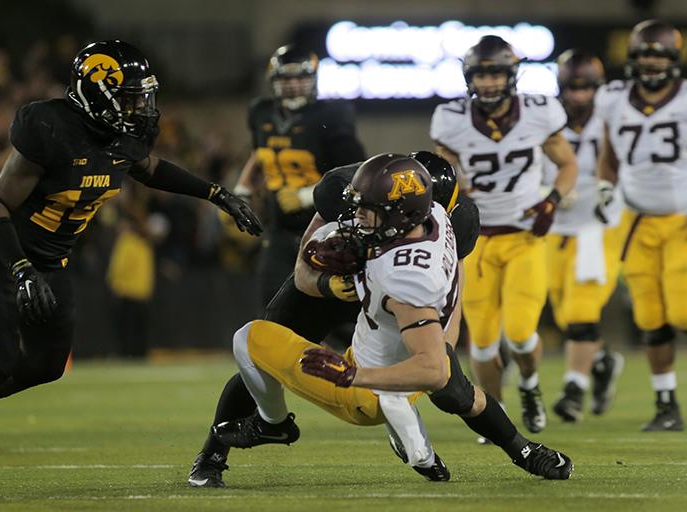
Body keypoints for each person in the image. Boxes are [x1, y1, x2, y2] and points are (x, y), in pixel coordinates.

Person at [191, 153, 574, 488]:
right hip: (347, 291)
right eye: (355, 206)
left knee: (254, 341)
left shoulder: (409, 270)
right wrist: (328, 283)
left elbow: (441, 326)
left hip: (389, 308)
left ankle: (277, 423)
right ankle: (519, 452)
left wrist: (436, 347)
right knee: (449, 388)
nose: (355, 215)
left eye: (365, 209)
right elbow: (304, 274)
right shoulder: (397, 205)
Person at [0, 40, 262, 405]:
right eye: (129, 98)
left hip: (51, 264)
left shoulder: (121, 138)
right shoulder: (50, 127)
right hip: (3, 258)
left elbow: (151, 170)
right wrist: (20, 268)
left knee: (47, 365)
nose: (139, 109)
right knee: (0, 362)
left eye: (141, 98)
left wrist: (216, 193)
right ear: (95, 94)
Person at [430, 35, 578, 435]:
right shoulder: (451, 118)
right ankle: (494, 416)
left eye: (496, 73)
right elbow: (446, 179)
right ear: (468, 78)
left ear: (511, 75)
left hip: (525, 236)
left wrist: (551, 201)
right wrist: (455, 195)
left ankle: (529, 384)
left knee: (519, 333)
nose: (489, 82)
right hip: (475, 242)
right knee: (481, 342)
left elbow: (567, 166)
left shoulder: (539, 112)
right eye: (481, 74)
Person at [594, 20, 687, 432]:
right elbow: (610, 150)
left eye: (660, 55)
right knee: (650, 318)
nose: (651, 62)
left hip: (683, 218)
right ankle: (666, 404)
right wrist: (604, 185)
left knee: (682, 309)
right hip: (637, 222)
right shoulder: (613, 100)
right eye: (645, 54)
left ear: (673, 60)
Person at [233, 44, 365, 309]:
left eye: (301, 78)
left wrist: (306, 196)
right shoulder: (261, 112)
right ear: (274, 81)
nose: (294, 85)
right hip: (279, 228)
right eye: (286, 79)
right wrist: (242, 191)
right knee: (271, 306)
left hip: (325, 227)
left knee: (332, 308)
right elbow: (261, 153)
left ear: (313, 79)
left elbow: (357, 171)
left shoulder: (332, 115)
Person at [544, 49, 625, 423]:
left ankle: (573, 390)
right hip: (555, 226)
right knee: (564, 315)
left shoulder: (615, 116)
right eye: (571, 89)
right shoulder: (544, 119)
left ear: (598, 87)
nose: (578, 96)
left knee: (581, 310)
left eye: (586, 88)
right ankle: (603, 360)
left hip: (599, 223)